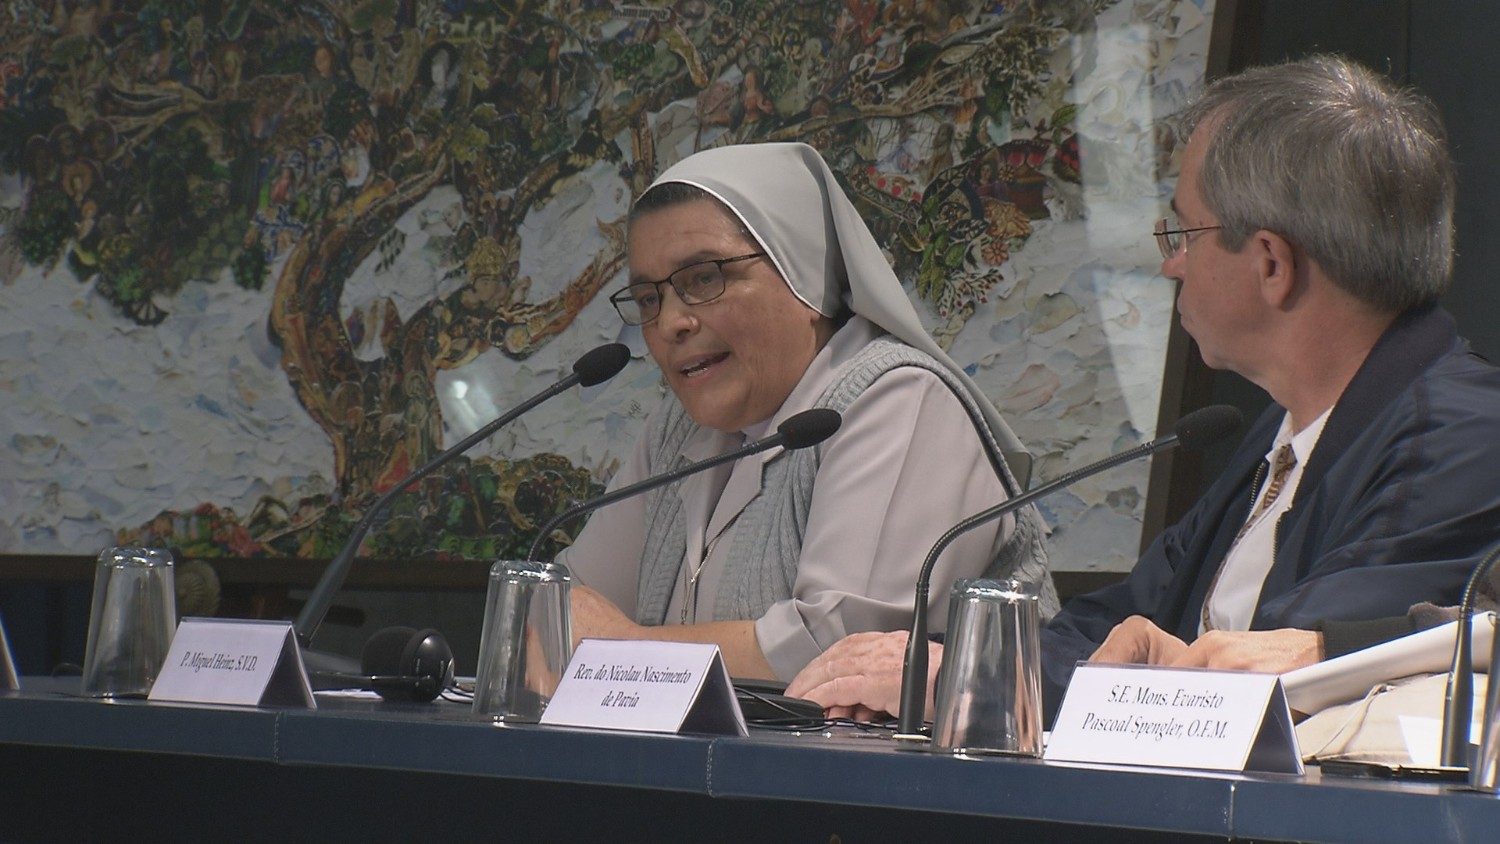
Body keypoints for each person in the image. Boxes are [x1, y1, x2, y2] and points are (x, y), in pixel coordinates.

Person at [788, 55, 1500, 722]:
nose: (1170, 265)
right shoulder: (1281, 431)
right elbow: (1115, 622)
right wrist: (959, 667)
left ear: (1271, 264)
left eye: (1184, 233)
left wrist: (980, 679)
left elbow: (1270, 677)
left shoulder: (1466, 441)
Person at [554, 142, 1057, 681]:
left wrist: (624, 648)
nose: (671, 323)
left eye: (703, 279)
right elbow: (565, 610)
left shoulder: (900, 397)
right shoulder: (676, 431)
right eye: (649, 299)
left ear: (805, 276)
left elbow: (837, 652)